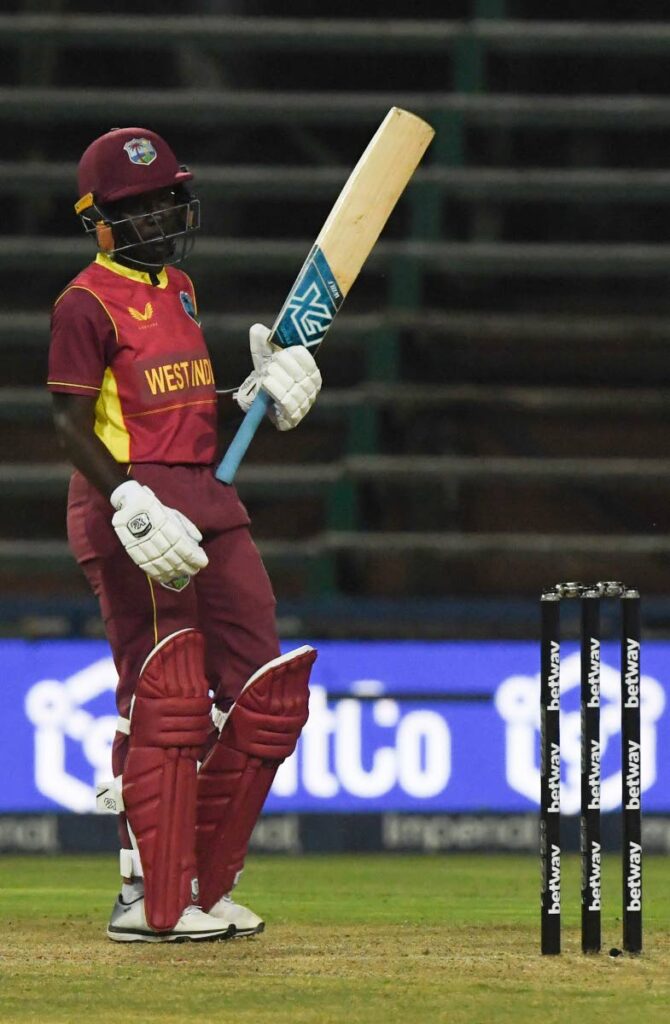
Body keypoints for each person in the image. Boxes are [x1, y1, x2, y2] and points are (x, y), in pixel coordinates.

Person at [48, 127, 320, 943]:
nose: (163, 213)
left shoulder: (182, 288)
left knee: (264, 690)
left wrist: (258, 393)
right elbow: (67, 418)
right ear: (101, 221)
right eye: (139, 206)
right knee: (164, 693)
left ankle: (206, 880)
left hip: (207, 492)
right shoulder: (82, 303)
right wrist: (128, 499)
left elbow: (181, 401)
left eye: (168, 196)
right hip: (131, 504)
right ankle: (145, 896)